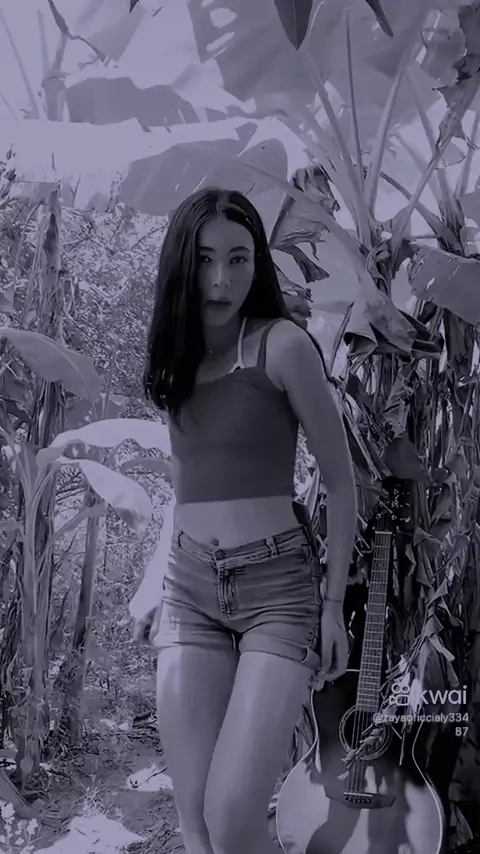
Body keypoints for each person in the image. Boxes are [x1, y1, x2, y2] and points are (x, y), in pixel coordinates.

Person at [141, 186, 357, 854]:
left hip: (277, 591)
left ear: (257, 264)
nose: (221, 279)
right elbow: (186, 486)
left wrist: (332, 607)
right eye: (205, 260)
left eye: (238, 259)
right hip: (188, 590)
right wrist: (153, 584)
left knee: (233, 820)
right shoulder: (176, 362)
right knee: (197, 827)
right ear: (183, 266)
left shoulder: (281, 346)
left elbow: (342, 482)